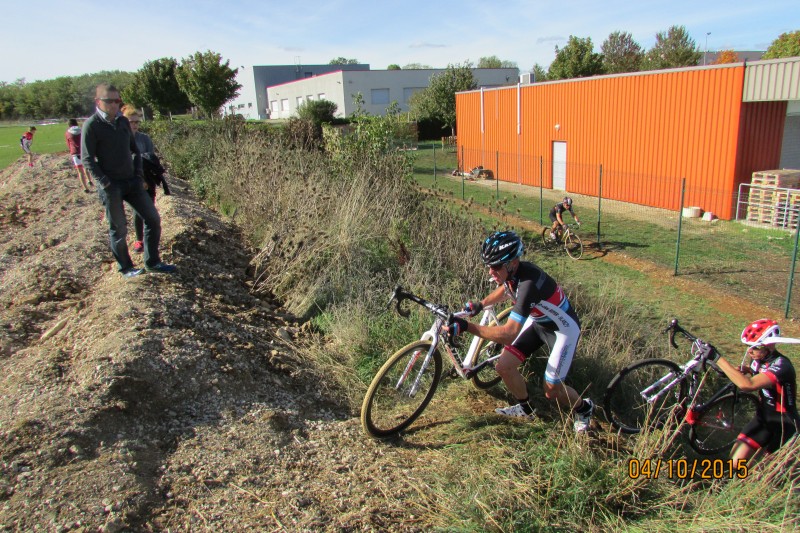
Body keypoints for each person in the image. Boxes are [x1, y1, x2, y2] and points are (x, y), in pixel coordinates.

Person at [447, 230, 595, 433]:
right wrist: (481, 304)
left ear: (512, 263)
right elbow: (506, 289)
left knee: (552, 390)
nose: (490, 271)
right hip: (538, 324)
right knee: (503, 367)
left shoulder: (528, 285)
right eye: (489, 266)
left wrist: (467, 327)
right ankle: (527, 409)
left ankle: (584, 408)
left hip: (562, 331)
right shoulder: (514, 275)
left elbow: (509, 333)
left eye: (496, 266)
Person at [81, 83, 176, 278]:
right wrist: (104, 181)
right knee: (118, 228)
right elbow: (87, 159)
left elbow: (135, 151)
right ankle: (126, 267)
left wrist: (138, 175)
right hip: (111, 186)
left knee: (152, 219)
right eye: (110, 101)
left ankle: (152, 262)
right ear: (98, 102)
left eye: (117, 100)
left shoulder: (123, 123)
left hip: (131, 182)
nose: (115, 104)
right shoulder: (92, 126)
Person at [705, 319, 799, 465]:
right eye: (748, 347)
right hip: (763, 419)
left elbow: (747, 385)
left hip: (784, 425)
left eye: (755, 347)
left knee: (767, 473)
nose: (750, 351)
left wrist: (717, 359)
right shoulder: (756, 360)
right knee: (735, 463)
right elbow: (757, 372)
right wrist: (747, 370)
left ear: (769, 345)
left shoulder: (782, 366)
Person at [121, 106, 162, 254]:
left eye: (137, 122)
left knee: (150, 212)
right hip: (133, 181)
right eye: (131, 122)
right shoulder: (121, 140)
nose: (135, 125)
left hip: (148, 179)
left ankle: (151, 242)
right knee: (138, 212)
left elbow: (150, 158)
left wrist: (149, 178)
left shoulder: (144, 139)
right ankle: (139, 240)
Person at [65, 119, 93, 192]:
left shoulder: (68, 133)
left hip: (75, 153)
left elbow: (68, 144)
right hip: (84, 151)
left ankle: (85, 188)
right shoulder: (83, 130)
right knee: (86, 167)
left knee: (80, 171)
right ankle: (89, 180)